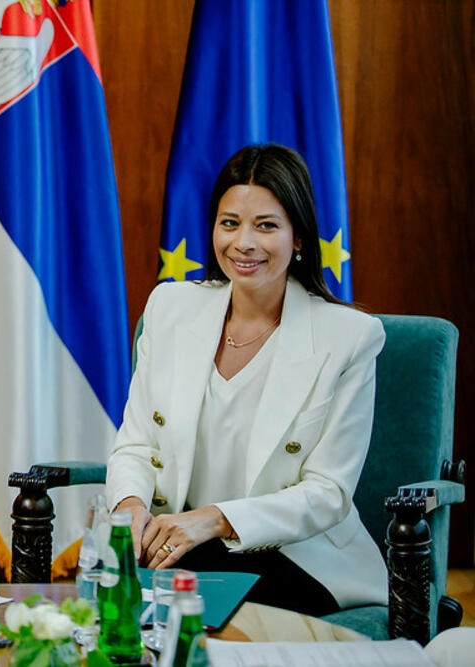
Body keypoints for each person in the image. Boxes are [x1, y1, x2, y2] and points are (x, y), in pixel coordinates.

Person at [106, 144, 386, 616]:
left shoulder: (350, 337)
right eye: (230, 223)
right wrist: (130, 506)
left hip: (300, 556)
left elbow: (328, 494)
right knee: (115, 580)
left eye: (267, 226)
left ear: (299, 238)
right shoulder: (169, 308)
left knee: (180, 584)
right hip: (180, 545)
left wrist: (213, 520)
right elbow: (135, 445)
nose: (244, 243)